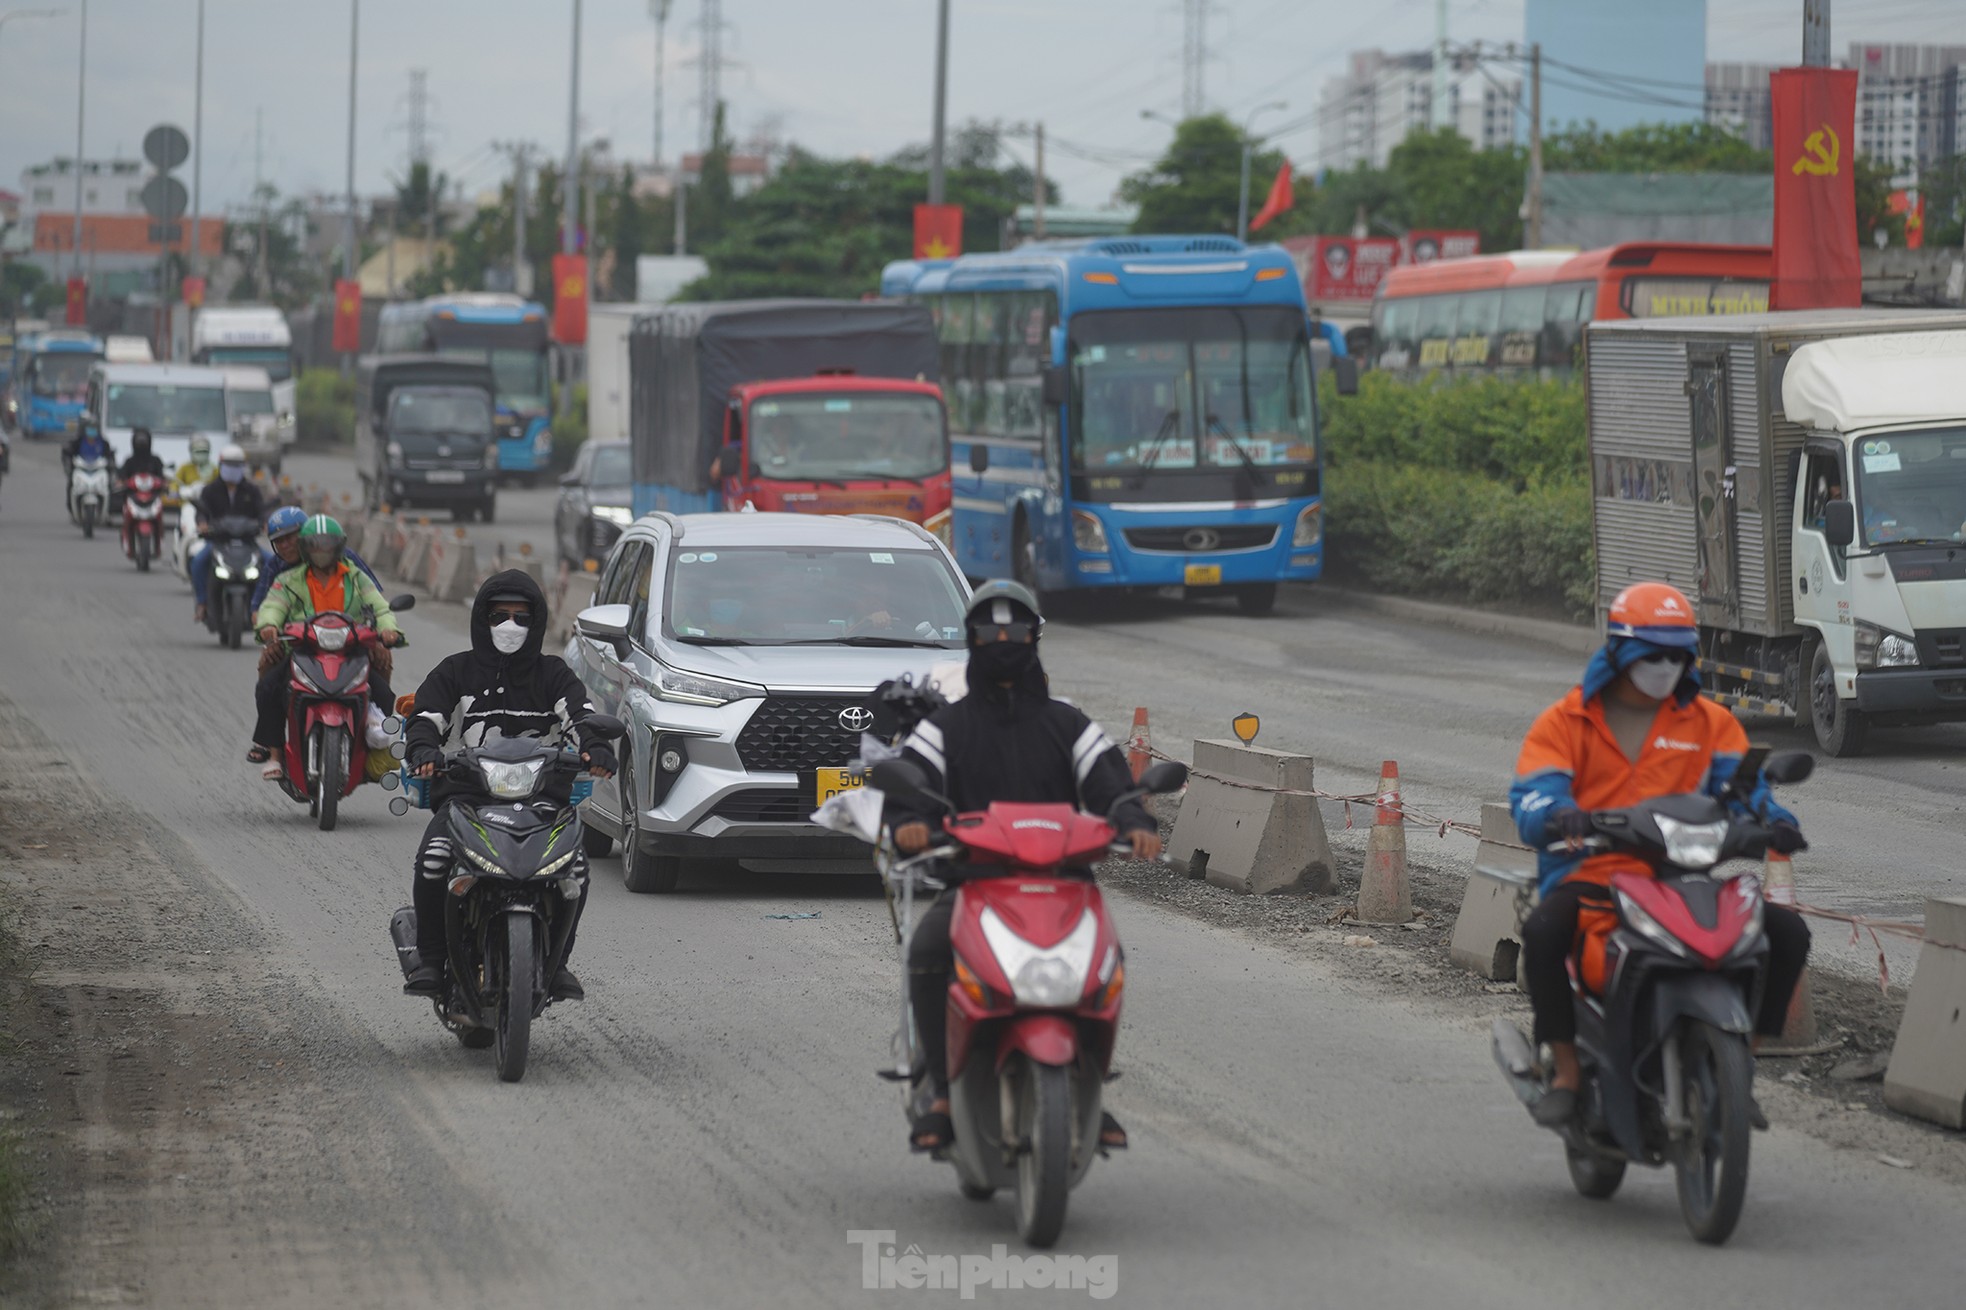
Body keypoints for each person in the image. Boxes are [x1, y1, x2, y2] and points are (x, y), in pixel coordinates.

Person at [1511, 581, 1811, 1130]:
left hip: (1684, 877)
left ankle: (1741, 1063)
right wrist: (1557, 813)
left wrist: (1778, 823)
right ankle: (1569, 1072)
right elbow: (1532, 794)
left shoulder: (1710, 723)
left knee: (1789, 934)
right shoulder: (1566, 721)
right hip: (1593, 873)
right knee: (1545, 931)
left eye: (1678, 656)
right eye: (1653, 654)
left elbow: (1747, 791)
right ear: (1621, 652)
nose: (1665, 666)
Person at [887, 580, 1160, 1154]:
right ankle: (941, 1090)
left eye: (1015, 631)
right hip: (974, 886)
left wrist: (1133, 820)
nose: (1003, 640)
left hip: (1065, 886)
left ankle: (1087, 1084)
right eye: (990, 631)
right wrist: (909, 821)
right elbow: (910, 783)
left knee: (1107, 958)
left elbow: (1111, 781)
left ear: (1036, 638)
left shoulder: (1069, 724)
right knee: (930, 950)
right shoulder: (946, 727)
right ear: (971, 639)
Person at [399, 571, 617, 1001]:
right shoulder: (455, 670)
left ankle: (557, 963)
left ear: (536, 622)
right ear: (483, 618)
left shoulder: (554, 673)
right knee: (435, 856)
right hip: (467, 799)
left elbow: (581, 715)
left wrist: (595, 747)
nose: (510, 625)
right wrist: (423, 749)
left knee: (575, 870)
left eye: (521, 616)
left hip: (543, 803)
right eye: (500, 615)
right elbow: (426, 718)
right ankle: (428, 959)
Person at [249, 515, 402, 781]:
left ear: (339, 546)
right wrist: (269, 625)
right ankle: (273, 752)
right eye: (315, 546)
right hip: (302, 652)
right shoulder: (288, 579)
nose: (322, 552)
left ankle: (373, 741)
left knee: (384, 693)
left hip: (351, 652)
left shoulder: (356, 577)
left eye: (327, 545)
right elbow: (272, 605)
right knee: (268, 687)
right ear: (306, 548)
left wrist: (388, 629)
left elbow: (379, 605)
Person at [249, 506, 380, 616]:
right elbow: (259, 609)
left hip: (349, 634)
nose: (284, 546)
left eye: (289, 538)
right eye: (278, 541)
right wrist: (269, 628)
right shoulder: (275, 568)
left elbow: (376, 595)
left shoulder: (343, 555)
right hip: (298, 638)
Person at [191, 445, 268, 623]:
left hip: (247, 543)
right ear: (220, 465)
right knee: (198, 562)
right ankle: (202, 604)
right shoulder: (210, 490)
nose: (233, 470)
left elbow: (262, 511)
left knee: (272, 562)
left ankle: (267, 608)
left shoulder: (252, 490)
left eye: (237, 465)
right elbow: (202, 511)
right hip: (218, 542)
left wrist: (265, 523)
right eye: (229, 465)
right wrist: (202, 524)